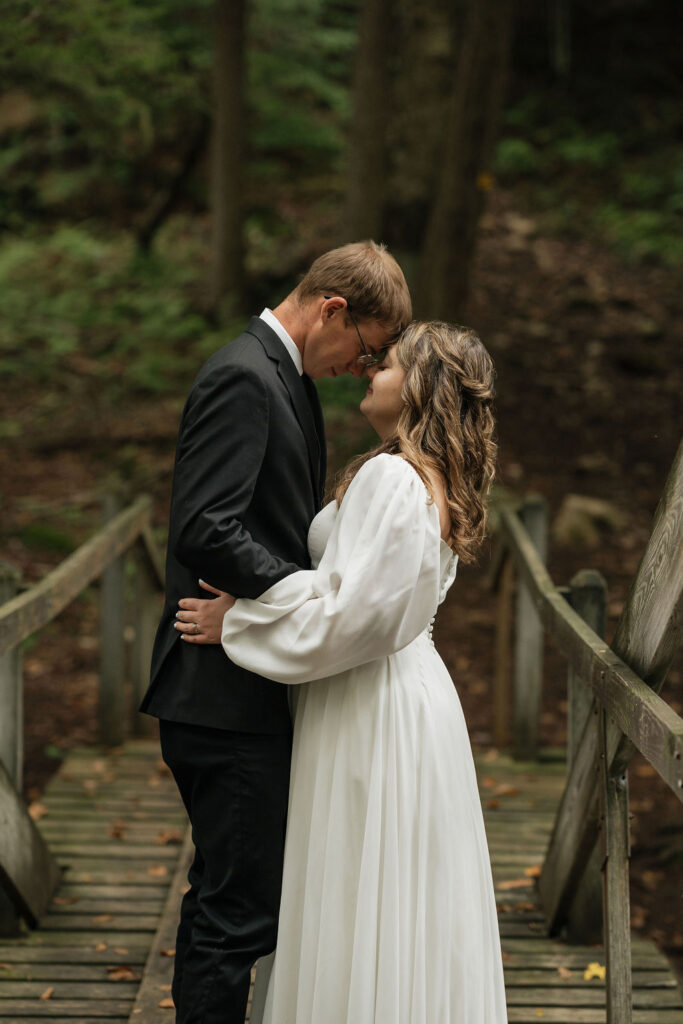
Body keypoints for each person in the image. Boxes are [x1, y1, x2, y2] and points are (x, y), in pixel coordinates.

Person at [176, 321, 508, 1023]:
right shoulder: (416, 473)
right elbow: (353, 599)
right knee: (390, 893)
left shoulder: (394, 478)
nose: (369, 372)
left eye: (385, 363)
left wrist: (237, 621)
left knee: (364, 887)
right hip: (391, 691)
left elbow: (357, 618)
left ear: (419, 386)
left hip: (372, 701)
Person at [139, 241, 412, 1024]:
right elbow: (206, 525)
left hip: (245, 686)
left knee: (239, 899)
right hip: (219, 695)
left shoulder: (278, 376)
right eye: (364, 350)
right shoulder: (244, 374)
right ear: (331, 309)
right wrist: (306, 597)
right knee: (238, 913)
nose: (359, 370)